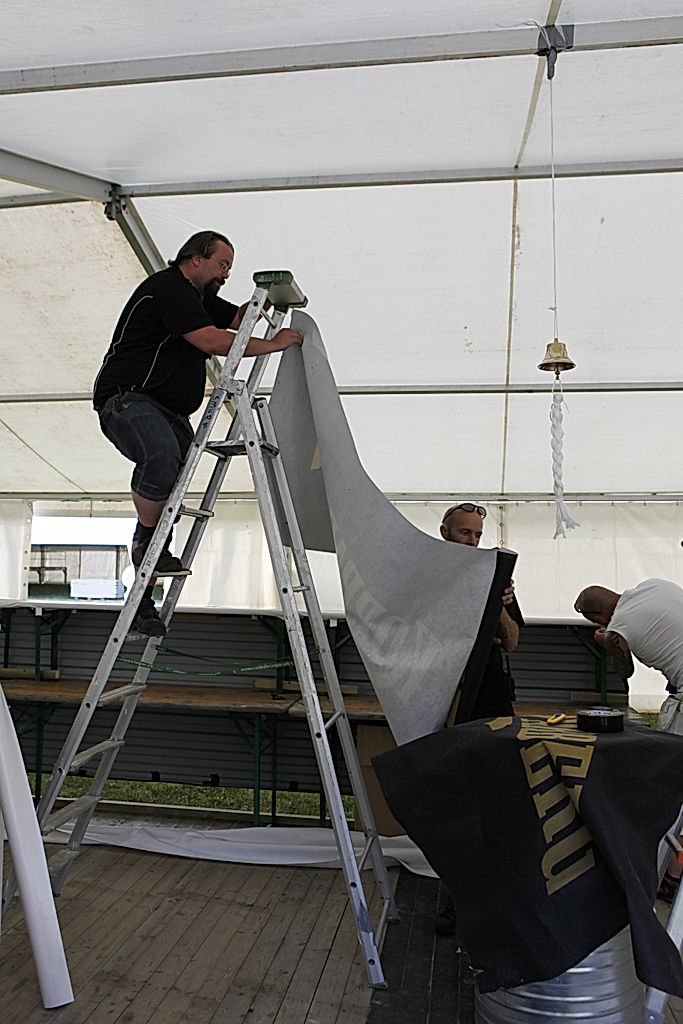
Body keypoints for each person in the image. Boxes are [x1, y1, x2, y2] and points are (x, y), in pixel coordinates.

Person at [93, 230, 303, 636]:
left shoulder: (198, 298)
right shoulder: (169, 288)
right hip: (129, 399)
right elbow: (212, 339)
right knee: (161, 459)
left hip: (167, 408)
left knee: (172, 484)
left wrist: (262, 305)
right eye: (222, 265)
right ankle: (146, 547)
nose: (225, 274)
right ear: (194, 259)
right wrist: (274, 343)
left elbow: (233, 319)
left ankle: (142, 597)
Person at [436, 500, 524, 934]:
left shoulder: (496, 575)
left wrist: (501, 605)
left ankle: (490, 895)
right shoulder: (434, 575)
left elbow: (511, 643)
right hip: (449, 701)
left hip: (491, 702)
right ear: (445, 532)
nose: (472, 541)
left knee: (495, 798)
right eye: (465, 533)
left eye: (477, 535)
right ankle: (455, 898)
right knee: (456, 802)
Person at [574, 579, 683, 902]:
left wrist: (608, 643)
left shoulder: (617, 629)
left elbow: (625, 671)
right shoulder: (652, 586)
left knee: (669, 786)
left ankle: (661, 876)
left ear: (599, 618)